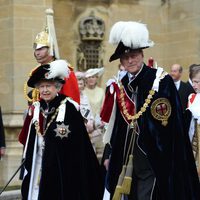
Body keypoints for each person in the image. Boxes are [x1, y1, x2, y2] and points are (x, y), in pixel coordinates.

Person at [100, 21, 200, 200]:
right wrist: (110, 154)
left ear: (142, 54)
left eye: (134, 55)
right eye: (125, 57)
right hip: (127, 158)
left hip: (153, 157)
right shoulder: (122, 85)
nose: (130, 60)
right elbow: (117, 126)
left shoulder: (160, 81)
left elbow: (170, 124)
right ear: (121, 61)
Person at [18, 60, 103, 200]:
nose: (45, 90)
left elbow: (80, 146)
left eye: (48, 86)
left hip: (63, 169)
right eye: (41, 86)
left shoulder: (69, 107)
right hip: (38, 165)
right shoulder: (36, 109)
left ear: (57, 87)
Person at [24, 8, 80, 104]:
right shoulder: (36, 72)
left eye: (41, 49)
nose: (37, 53)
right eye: (36, 49)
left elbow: (72, 101)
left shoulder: (65, 72)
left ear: (51, 50)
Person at [84, 67, 105, 155]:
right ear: (86, 79)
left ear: (97, 78)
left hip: (99, 125)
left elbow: (104, 108)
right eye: (89, 77)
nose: (91, 79)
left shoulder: (101, 91)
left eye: (93, 77)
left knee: (99, 153)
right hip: (85, 125)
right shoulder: (83, 92)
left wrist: (102, 121)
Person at [187, 64, 200, 179]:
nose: (194, 85)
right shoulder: (192, 97)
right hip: (195, 145)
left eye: (197, 82)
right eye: (193, 82)